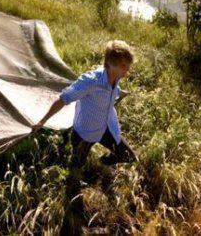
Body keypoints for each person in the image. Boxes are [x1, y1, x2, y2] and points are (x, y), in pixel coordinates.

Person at [31, 40, 138, 234]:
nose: (126, 71)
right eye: (123, 67)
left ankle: (102, 163)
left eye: (127, 67)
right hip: (84, 134)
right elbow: (63, 98)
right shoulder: (90, 80)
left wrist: (119, 93)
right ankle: (70, 212)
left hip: (106, 128)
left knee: (130, 157)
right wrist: (42, 121)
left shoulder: (116, 78)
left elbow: (110, 94)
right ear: (110, 64)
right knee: (75, 172)